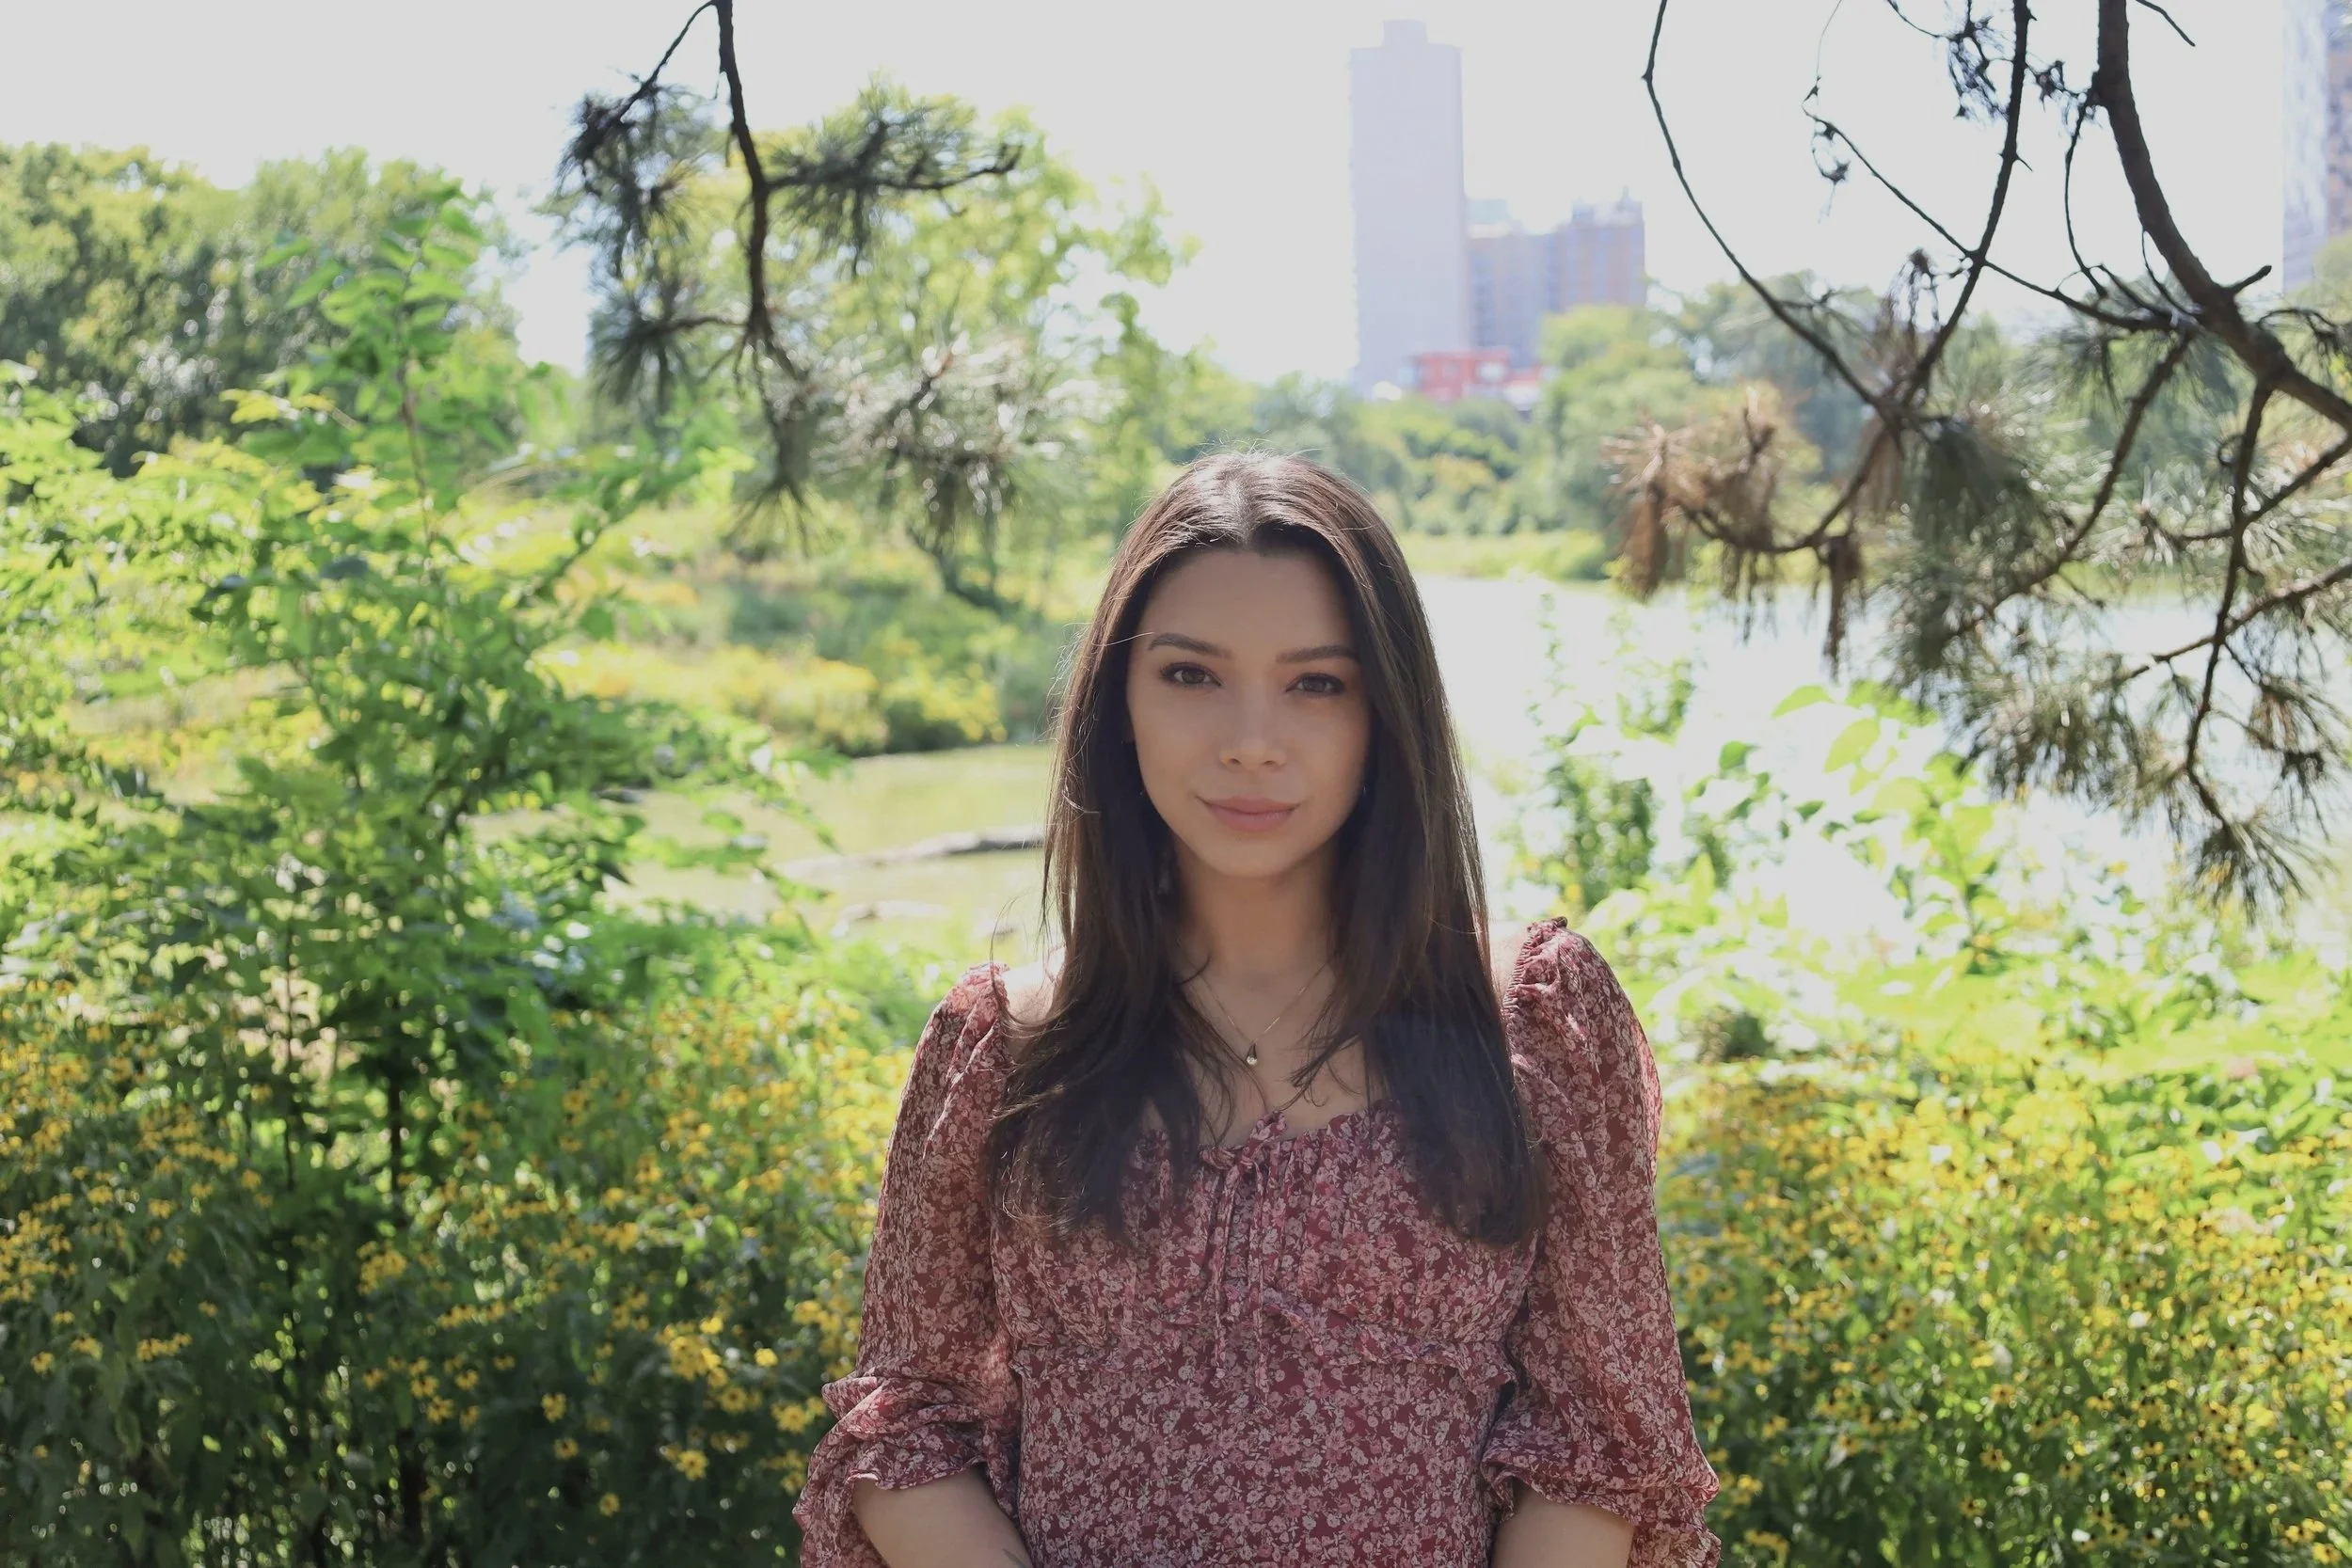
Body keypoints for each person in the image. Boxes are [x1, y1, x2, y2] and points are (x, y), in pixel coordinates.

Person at [791, 452, 1722, 1567]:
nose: (1249, 738)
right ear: (1116, 702)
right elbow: (905, 1421)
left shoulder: (1527, 1021)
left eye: (1315, 683)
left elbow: (1595, 1438)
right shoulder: (1003, 1046)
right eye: (1189, 675)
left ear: (1386, 714)